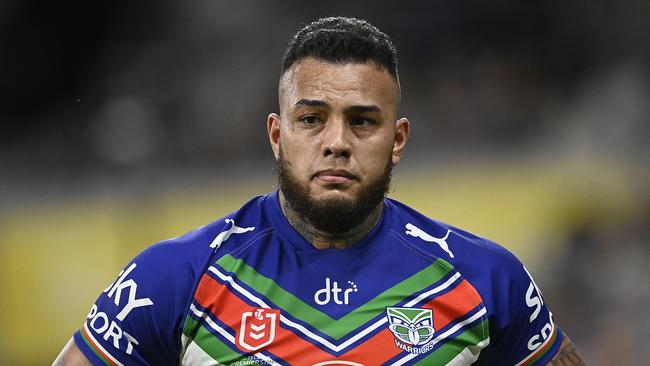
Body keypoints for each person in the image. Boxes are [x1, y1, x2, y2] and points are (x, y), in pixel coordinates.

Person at [54, 17, 585, 365]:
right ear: (276, 134)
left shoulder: (488, 280)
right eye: (311, 119)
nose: (336, 143)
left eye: (362, 122)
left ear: (397, 139)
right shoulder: (173, 278)